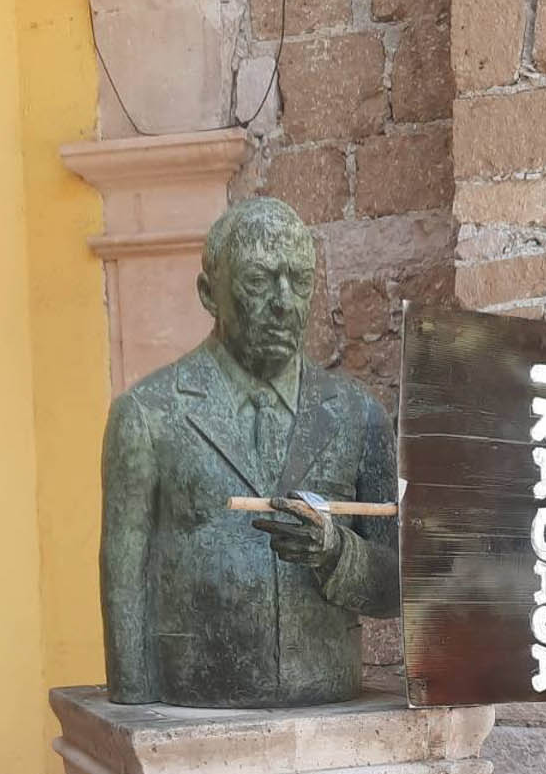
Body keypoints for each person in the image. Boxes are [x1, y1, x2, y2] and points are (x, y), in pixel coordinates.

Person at [99, 196, 399, 707]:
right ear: (208, 294)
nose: (284, 302)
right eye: (259, 281)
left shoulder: (358, 415)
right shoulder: (149, 414)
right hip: (194, 693)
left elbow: (398, 583)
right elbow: (124, 575)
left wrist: (336, 553)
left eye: (299, 281)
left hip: (326, 690)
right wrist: (134, 702)